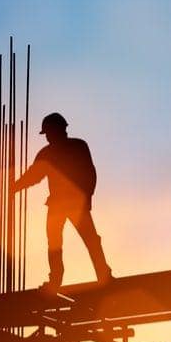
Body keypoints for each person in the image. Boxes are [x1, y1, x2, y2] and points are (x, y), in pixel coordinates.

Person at [13, 112, 112, 292]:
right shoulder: (53, 151)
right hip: (61, 204)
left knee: (84, 241)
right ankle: (62, 279)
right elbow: (34, 175)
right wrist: (16, 187)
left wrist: (87, 197)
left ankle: (101, 275)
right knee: (59, 242)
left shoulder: (73, 147)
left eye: (49, 133)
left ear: (58, 130)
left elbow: (89, 173)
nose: (48, 137)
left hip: (71, 203)